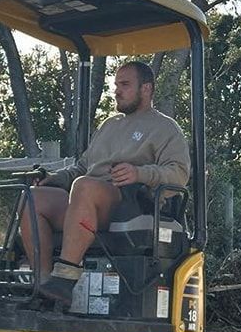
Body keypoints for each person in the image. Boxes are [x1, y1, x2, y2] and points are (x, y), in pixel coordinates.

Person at [19, 60, 190, 307]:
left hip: (131, 203)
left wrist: (140, 173)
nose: (117, 90)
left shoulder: (165, 128)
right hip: (86, 199)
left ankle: (65, 276)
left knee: (84, 186)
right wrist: (54, 179)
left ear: (146, 89)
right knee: (34, 196)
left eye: (125, 84)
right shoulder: (110, 125)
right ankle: (43, 285)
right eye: (115, 84)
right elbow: (82, 167)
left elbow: (179, 173)